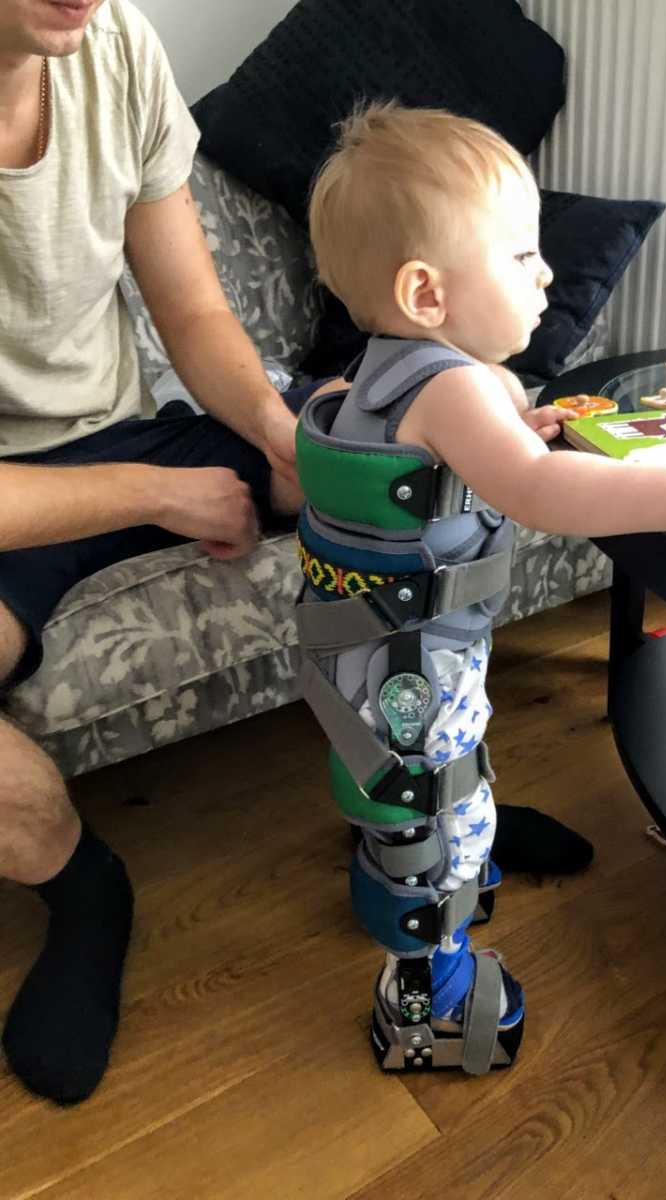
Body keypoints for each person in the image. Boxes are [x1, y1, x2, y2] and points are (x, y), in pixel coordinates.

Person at [0, 1, 592, 1105]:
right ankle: (86, 893)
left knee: (357, 454)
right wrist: (153, 492)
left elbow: (191, 312)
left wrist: (300, 444)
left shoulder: (113, 41)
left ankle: (445, 817)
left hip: (146, 427)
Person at [300, 101, 666, 1075]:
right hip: (414, 668)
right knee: (435, 815)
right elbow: (542, 495)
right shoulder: (455, 390)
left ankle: (412, 889)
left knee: (407, 801)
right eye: (522, 257)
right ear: (426, 294)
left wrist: (521, 426)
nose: (547, 274)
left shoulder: (375, 377)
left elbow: (445, 469)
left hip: (363, 658)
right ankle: (427, 1013)